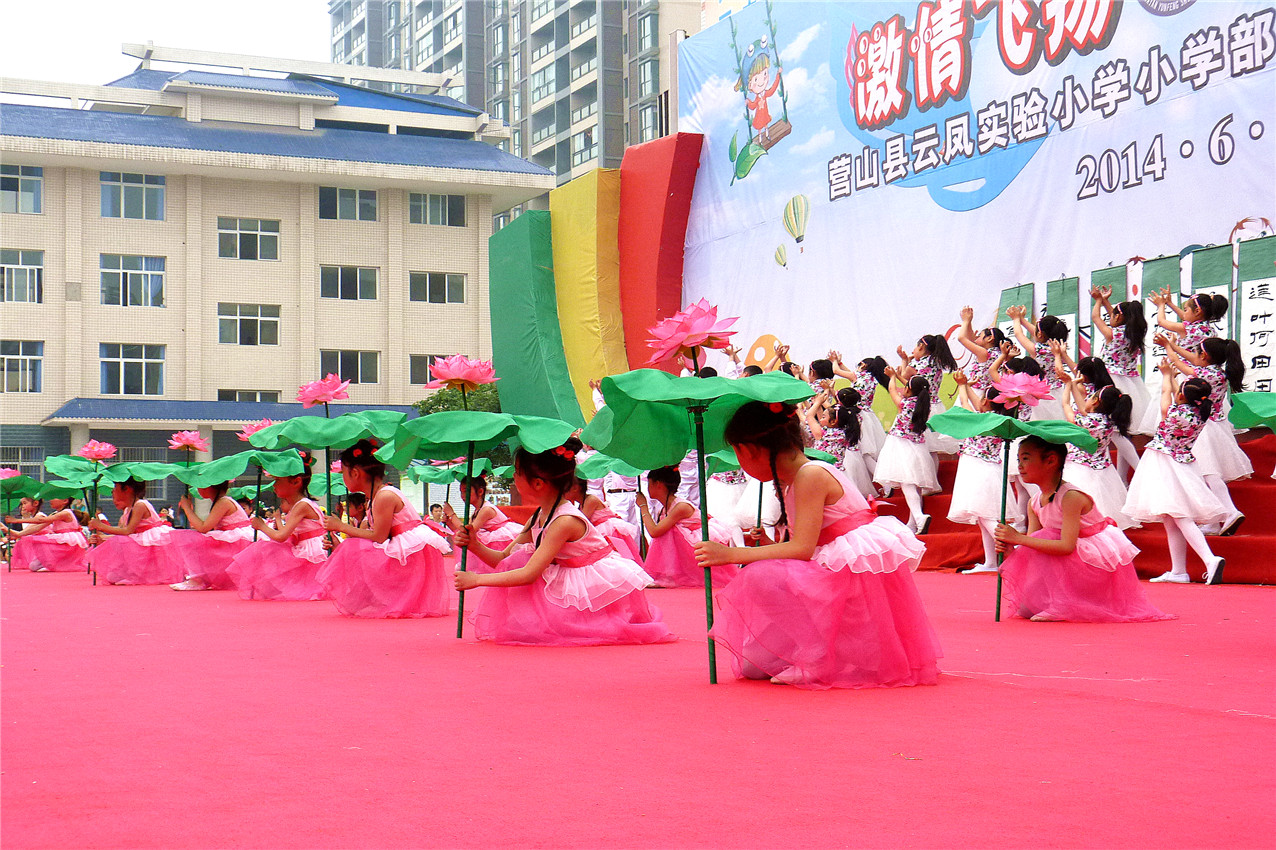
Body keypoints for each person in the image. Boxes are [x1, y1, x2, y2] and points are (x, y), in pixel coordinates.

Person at [695, 400, 938, 689]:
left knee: (759, 575)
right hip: (828, 572)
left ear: (748, 450)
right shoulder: (795, 479)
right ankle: (815, 651)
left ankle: (817, 655)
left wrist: (732, 553)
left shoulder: (810, 474)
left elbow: (802, 549)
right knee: (755, 664)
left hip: (845, 578)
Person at [453, 437, 675, 646]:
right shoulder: (539, 516)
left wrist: (477, 579)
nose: (514, 477)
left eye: (518, 472)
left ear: (537, 483)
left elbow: (529, 574)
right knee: (521, 561)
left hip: (593, 592)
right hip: (569, 578)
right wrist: (475, 545)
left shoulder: (564, 521)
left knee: (578, 629)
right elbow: (503, 559)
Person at [995, 436, 1172, 623]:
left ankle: (1065, 602)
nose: (1020, 466)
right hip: (1067, 560)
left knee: (1048, 535)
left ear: (1051, 460)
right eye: (1018, 460)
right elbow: (1033, 549)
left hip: (1090, 561)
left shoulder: (1071, 497)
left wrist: (1019, 538)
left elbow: (1066, 546)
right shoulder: (1034, 502)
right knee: (1026, 609)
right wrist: (1011, 549)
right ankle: (1061, 600)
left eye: (1025, 458)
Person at [318, 440, 451, 618]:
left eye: (344, 473)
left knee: (352, 548)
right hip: (405, 549)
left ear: (355, 473)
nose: (343, 478)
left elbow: (379, 537)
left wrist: (341, 527)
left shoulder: (384, 496)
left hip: (409, 553)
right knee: (350, 548)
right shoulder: (375, 497)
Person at [1122, 366, 1228, 584]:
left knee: (1179, 516)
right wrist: (1171, 378)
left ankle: (1210, 559)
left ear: (1181, 396)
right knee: (1171, 519)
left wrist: (1166, 376)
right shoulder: (1199, 415)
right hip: (1182, 465)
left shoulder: (1176, 413)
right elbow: (1174, 396)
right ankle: (1179, 571)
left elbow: (1164, 397)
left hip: (1165, 464)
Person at [1159, 334, 1249, 535]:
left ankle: (1230, 511)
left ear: (1204, 356)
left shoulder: (1202, 374)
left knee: (1209, 472)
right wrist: (1172, 346)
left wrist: (1168, 347)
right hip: (1216, 426)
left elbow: (1177, 363)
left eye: (1197, 353)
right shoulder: (1221, 374)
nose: (1194, 356)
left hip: (1203, 429)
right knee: (1206, 473)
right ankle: (1214, 520)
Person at [947, 372, 1025, 574]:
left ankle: (1012, 550)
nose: (979, 399)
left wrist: (962, 386)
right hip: (990, 468)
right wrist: (966, 385)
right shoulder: (999, 418)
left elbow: (965, 402)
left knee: (986, 517)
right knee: (983, 516)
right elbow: (976, 402)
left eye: (982, 397)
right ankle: (991, 562)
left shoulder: (981, 419)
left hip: (978, 469)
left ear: (987, 402)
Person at [226, 454, 329, 600]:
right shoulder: (300, 505)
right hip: (306, 545)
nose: (274, 485)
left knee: (265, 549)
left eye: (278, 480)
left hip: (312, 550)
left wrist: (262, 526)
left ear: (296, 482)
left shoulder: (302, 506)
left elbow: (281, 536)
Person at [1057, 377, 1137, 529]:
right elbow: (1083, 407)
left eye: (1090, 397)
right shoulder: (1108, 421)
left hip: (1080, 465)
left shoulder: (1085, 420)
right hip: (1102, 466)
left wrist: (1068, 385)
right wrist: (1073, 384)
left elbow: (1066, 405)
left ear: (1095, 401)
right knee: (1102, 500)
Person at [638, 466, 736, 587]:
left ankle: (670, 577)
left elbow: (654, 531)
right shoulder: (665, 508)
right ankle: (669, 575)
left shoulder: (680, 506)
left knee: (670, 531)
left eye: (649, 484)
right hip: (690, 544)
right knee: (668, 530)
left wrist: (643, 506)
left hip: (700, 541)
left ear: (658, 484)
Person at [873, 373, 938, 534]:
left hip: (901, 445)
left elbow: (892, 390)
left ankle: (919, 517)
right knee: (915, 486)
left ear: (909, 389)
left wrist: (892, 376)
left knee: (907, 483)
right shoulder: (924, 405)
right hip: (918, 447)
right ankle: (913, 523)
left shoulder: (906, 404)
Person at [87, 479, 180, 585]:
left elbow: (127, 531)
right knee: (112, 576)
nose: (112, 491)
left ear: (127, 489)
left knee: (120, 542)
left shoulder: (140, 505)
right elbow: (122, 532)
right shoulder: (128, 509)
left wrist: (101, 526)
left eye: (115, 487)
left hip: (152, 544)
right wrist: (101, 538)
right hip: (141, 543)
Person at [168, 482, 256, 590]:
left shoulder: (223, 502)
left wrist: (187, 508)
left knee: (192, 540)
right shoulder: (222, 501)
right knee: (198, 538)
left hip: (237, 540)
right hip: (235, 538)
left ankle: (198, 580)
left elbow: (203, 527)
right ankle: (199, 579)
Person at [1090, 287, 1153, 436]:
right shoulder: (1135, 332)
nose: (1110, 316)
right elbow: (1117, 317)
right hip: (1131, 379)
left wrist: (1098, 300)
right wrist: (1105, 301)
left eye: (1113, 315)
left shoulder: (1112, 334)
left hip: (1110, 377)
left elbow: (1095, 317)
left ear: (1118, 317)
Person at [896, 334, 960, 452]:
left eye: (915, 348)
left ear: (921, 346)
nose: (913, 351)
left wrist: (904, 360)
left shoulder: (916, 365)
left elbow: (905, 378)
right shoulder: (937, 362)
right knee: (933, 449)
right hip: (937, 406)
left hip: (921, 406)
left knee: (920, 446)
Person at [443, 474, 522, 569]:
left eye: (466, 491)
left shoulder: (486, 510)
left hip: (500, 543)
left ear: (480, 491)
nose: (463, 496)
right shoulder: (477, 511)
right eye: (461, 492)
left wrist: (452, 514)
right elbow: (462, 529)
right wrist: (449, 523)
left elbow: (467, 531)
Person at [1007, 305, 1069, 420]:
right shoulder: (1058, 346)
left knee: (1042, 423)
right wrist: (1022, 319)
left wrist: (1016, 319)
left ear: (1040, 334)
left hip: (1042, 392)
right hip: (1058, 390)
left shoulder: (1039, 350)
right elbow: (1038, 333)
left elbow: (1019, 334)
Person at [566, 477, 643, 562]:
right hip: (601, 531)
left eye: (566, 489)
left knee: (622, 557)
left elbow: (582, 521)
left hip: (610, 532)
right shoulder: (581, 504)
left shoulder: (590, 500)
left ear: (575, 488)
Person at [7, 497, 88, 573]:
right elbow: (38, 526)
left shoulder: (65, 513)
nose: (50, 500)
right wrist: (19, 534)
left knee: (41, 542)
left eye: (53, 498)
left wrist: (16, 520)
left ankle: (53, 564)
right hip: (61, 541)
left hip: (68, 542)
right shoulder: (55, 514)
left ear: (65, 501)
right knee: (34, 566)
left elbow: (41, 520)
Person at [953, 305, 1006, 393]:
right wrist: (969, 321)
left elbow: (961, 338)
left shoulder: (984, 352)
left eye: (980, 336)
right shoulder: (995, 352)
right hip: (984, 392)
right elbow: (971, 340)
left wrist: (965, 321)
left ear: (989, 338)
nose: (976, 337)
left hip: (976, 391)